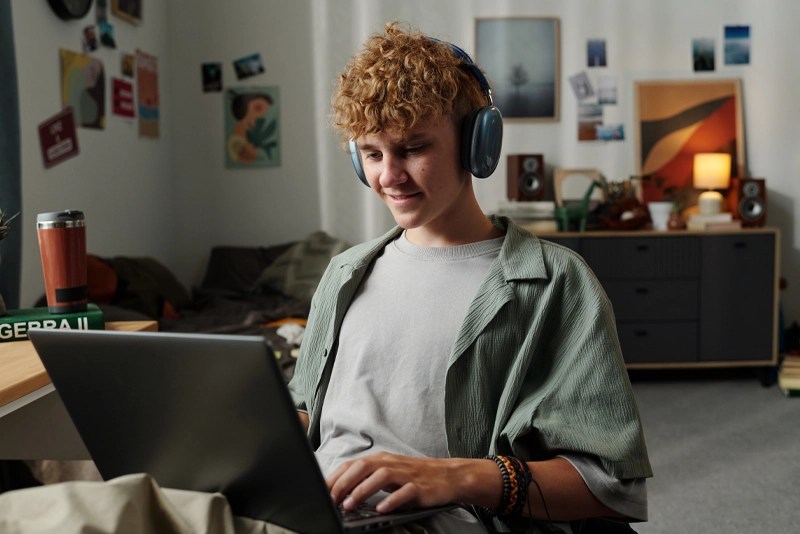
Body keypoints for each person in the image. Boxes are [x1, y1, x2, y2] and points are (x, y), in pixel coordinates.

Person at [287, 21, 653, 533]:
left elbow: (611, 486)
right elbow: (307, 413)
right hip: (312, 510)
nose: (388, 176)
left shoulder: (555, 282)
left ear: (478, 144)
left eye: (413, 148)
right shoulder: (344, 273)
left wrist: (457, 477)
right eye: (371, 153)